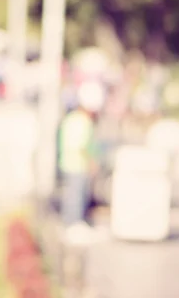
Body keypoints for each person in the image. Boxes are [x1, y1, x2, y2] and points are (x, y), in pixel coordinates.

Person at [58, 81, 104, 242]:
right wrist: (91, 162)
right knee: (75, 196)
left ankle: (75, 223)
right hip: (76, 164)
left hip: (72, 163)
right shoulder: (80, 121)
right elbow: (81, 146)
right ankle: (72, 225)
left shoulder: (72, 119)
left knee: (76, 195)